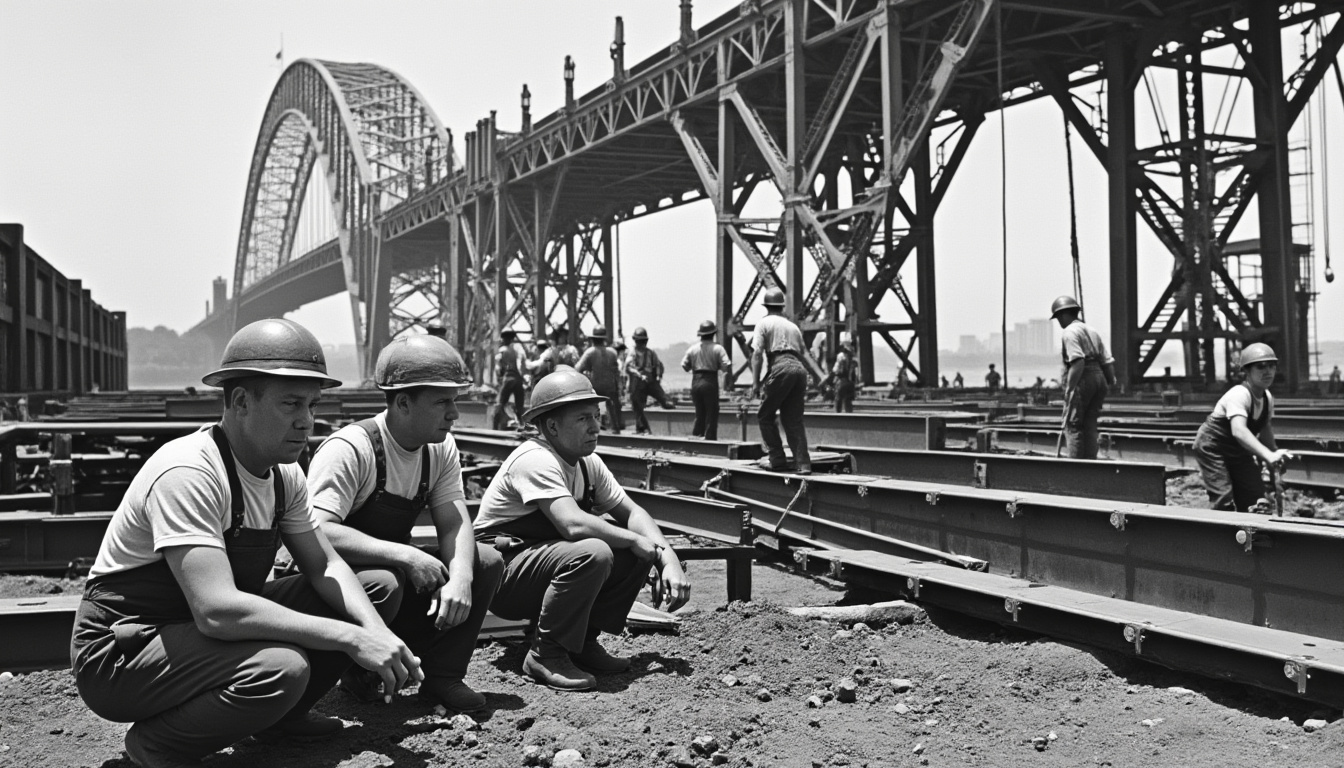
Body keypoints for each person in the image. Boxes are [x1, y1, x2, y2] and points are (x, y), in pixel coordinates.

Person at [70, 319, 421, 768]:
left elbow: (325, 565)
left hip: (197, 634)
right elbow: (217, 610)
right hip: (124, 652)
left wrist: (374, 631)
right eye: (291, 404)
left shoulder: (284, 473)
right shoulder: (190, 472)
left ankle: (280, 714)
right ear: (240, 402)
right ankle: (159, 747)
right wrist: (351, 639)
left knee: (375, 588)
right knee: (281, 667)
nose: (307, 422)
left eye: (312, 405)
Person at [307, 335, 505, 712]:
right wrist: (407, 557)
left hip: (391, 577)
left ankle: (442, 676)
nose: (454, 414)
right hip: (333, 585)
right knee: (387, 582)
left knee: (485, 561)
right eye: (442, 402)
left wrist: (461, 578)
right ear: (403, 403)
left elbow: (453, 519)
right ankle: (356, 670)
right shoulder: (351, 449)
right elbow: (319, 530)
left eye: (455, 401)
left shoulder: (439, 446)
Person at [473, 369, 690, 691]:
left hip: (542, 564)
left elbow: (631, 512)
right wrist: (637, 541)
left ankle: (582, 643)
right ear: (552, 426)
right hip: (501, 577)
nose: (595, 426)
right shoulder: (535, 459)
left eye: (596, 416)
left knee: (630, 550)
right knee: (597, 550)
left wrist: (666, 558)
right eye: (583, 418)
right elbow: (572, 524)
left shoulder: (588, 463)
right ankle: (546, 655)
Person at [1193, 343, 1293, 512]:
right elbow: (1239, 431)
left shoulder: (1267, 398)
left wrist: (1273, 457)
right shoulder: (1239, 394)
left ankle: (1251, 536)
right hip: (1213, 447)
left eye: (1271, 366)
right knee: (1224, 500)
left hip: (1238, 450)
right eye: (1260, 367)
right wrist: (1267, 455)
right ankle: (1221, 534)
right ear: (1247, 371)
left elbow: (1265, 429)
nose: (1267, 372)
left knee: (1255, 497)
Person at [750, 288, 811, 474]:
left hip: (780, 366)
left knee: (765, 415)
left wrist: (755, 383)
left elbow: (757, 355)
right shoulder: (793, 326)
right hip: (799, 370)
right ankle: (803, 464)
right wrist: (820, 376)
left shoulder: (763, 323)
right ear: (781, 306)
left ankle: (777, 459)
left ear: (766, 306)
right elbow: (805, 354)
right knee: (793, 419)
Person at [1051, 295, 1117, 460]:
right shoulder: (1092, 330)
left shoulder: (1069, 332)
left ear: (1064, 315)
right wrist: (1109, 382)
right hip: (1100, 377)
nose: (1059, 321)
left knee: (1073, 425)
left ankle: (1076, 468)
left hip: (1084, 377)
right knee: (1090, 424)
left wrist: (1070, 388)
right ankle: (1090, 464)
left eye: (1058, 317)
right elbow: (1107, 362)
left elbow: (1078, 362)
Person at [680, 320, 731, 439]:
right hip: (710, 381)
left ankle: (697, 435)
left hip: (696, 381)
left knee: (699, 411)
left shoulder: (692, 349)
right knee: (712, 411)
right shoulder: (718, 348)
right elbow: (726, 365)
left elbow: (684, 365)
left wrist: (693, 368)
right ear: (713, 334)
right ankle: (710, 438)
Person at [576, 325, 624, 433]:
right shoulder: (612, 352)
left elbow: (577, 369)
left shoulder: (590, 352)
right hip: (611, 387)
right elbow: (616, 372)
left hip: (595, 387)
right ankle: (616, 428)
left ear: (593, 339)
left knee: (588, 405)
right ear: (604, 339)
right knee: (612, 405)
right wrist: (619, 388)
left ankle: (590, 427)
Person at [626, 327, 675, 434]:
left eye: (643, 341)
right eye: (639, 341)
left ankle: (672, 423)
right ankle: (641, 428)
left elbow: (658, 365)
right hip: (637, 383)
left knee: (665, 400)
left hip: (651, 381)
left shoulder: (651, 353)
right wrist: (638, 374)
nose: (641, 344)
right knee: (637, 404)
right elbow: (628, 367)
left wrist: (658, 376)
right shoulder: (632, 353)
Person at [493, 330, 526, 430]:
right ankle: (523, 425)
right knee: (520, 405)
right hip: (518, 379)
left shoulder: (502, 350)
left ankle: (495, 426)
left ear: (504, 339)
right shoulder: (518, 349)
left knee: (500, 403)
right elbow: (522, 365)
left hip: (508, 378)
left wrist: (499, 377)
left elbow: (498, 368)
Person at [830, 341, 858, 413]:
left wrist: (832, 377)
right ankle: (849, 415)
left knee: (838, 398)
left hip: (841, 380)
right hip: (850, 381)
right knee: (848, 399)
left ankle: (837, 415)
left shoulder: (841, 356)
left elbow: (836, 369)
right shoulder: (853, 358)